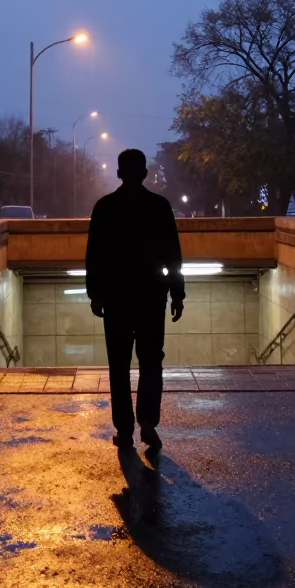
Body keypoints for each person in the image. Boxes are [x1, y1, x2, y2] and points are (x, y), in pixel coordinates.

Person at [86, 148, 184, 450]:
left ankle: (125, 429)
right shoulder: (159, 206)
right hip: (151, 296)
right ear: (144, 174)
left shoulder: (105, 207)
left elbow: (95, 256)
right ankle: (148, 424)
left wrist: (96, 294)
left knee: (119, 364)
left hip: (117, 297)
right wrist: (176, 293)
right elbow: (173, 255)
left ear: (119, 173)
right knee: (152, 362)